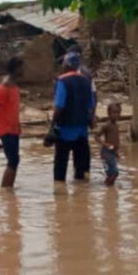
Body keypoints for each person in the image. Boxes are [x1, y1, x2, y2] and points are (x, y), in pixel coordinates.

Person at [52, 51, 95, 182]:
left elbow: (59, 106)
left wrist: (51, 126)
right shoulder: (86, 81)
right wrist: (91, 121)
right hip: (82, 131)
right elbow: (91, 106)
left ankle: (59, 198)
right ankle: (82, 198)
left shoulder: (62, 81)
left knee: (60, 169)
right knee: (80, 172)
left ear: (66, 65)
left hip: (65, 130)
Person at [0, 57, 24, 188]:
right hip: (6, 128)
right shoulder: (6, 85)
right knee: (13, 160)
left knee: (14, 160)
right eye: (22, 67)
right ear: (16, 68)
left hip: (13, 128)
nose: (24, 70)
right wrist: (2, 118)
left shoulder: (13, 85)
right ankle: (6, 190)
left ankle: (9, 188)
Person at [95, 102, 121, 186]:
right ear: (109, 114)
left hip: (112, 152)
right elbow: (96, 136)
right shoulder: (107, 125)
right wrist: (105, 144)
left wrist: (116, 152)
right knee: (114, 172)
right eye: (114, 113)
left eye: (118, 113)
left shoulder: (116, 125)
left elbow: (116, 140)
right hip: (106, 152)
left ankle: (109, 189)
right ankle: (106, 185)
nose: (116, 115)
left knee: (112, 173)